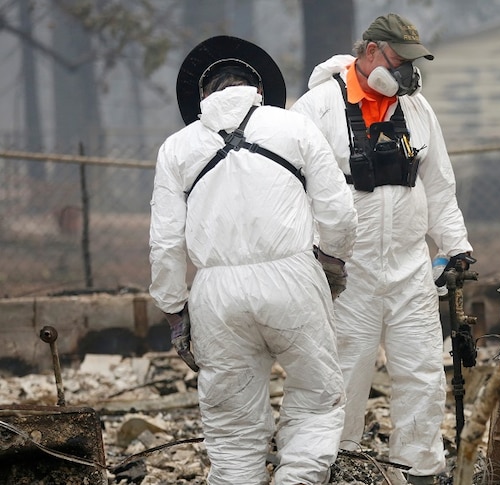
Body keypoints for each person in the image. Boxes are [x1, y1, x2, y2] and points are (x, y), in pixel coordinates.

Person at [149, 35, 357, 485]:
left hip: (215, 295)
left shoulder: (176, 148)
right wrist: (333, 263)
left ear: (203, 96)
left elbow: (165, 243)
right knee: (317, 397)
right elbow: (338, 212)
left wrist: (174, 311)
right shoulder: (295, 128)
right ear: (259, 91)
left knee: (232, 424)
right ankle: (297, 477)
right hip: (294, 278)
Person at [290, 13, 474, 485]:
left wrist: (455, 246)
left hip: (411, 267)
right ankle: (343, 467)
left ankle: (420, 472)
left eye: (413, 62)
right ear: (370, 51)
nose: (407, 72)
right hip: (345, 272)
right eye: (398, 60)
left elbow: (438, 185)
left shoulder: (417, 110)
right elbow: (291, 193)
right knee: (344, 375)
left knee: (423, 373)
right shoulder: (317, 109)